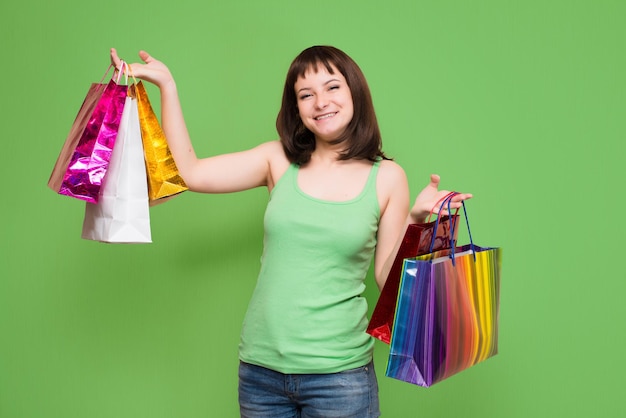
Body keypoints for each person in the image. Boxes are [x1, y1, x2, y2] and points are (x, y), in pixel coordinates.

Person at [110, 45, 471, 417]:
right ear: (296, 107)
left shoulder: (387, 178)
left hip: (340, 378)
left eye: (332, 87)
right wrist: (167, 84)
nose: (320, 102)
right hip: (260, 374)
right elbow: (190, 172)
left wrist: (417, 221)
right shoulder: (278, 160)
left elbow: (386, 278)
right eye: (306, 94)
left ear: (354, 94)